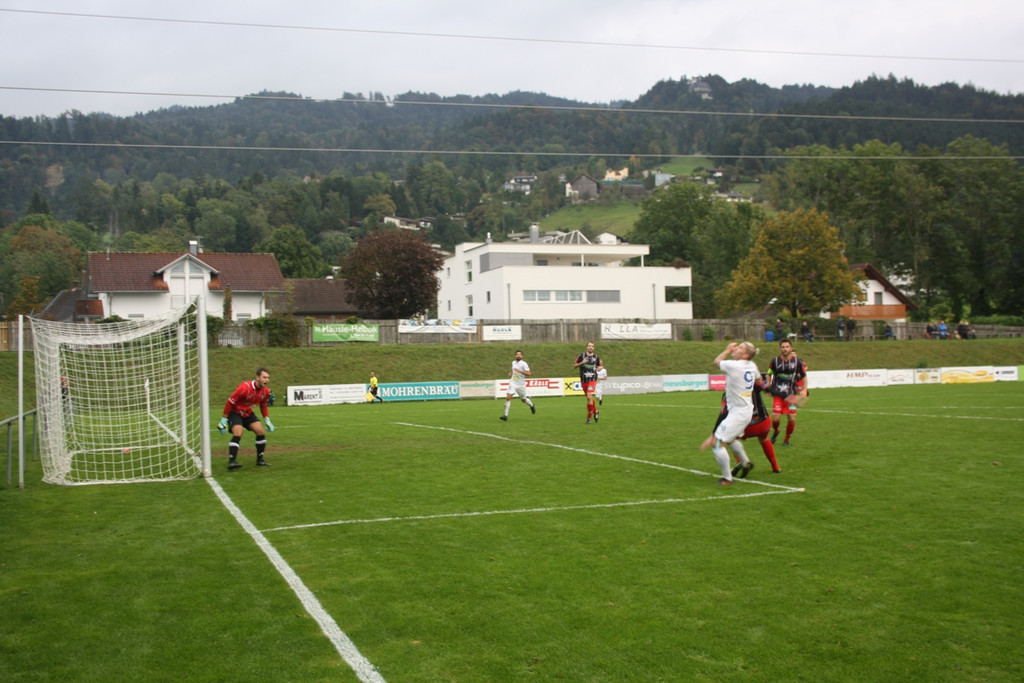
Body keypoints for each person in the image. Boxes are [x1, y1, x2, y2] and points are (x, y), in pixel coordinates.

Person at [700, 342, 758, 485]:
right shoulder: (752, 365)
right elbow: (758, 379)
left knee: (717, 443)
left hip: (738, 412)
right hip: (745, 409)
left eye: (740, 347)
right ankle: (745, 463)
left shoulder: (734, 365)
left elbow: (717, 361)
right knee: (731, 439)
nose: (736, 348)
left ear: (745, 355)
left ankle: (727, 478)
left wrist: (727, 350)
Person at [701, 372, 782, 475]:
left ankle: (742, 462)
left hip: (746, 426)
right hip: (763, 423)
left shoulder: (729, 394)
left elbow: (724, 413)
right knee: (764, 439)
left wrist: (714, 433)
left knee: (728, 439)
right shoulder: (754, 385)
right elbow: (768, 388)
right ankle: (775, 467)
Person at [219, 367, 274, 470]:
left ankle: (260, 460)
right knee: (238, 432)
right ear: (257, 377)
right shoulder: (244, 388)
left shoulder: (265, 392)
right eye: (264, 377)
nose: (267, 380)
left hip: (247, 413)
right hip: (235, 412)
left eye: (268, 378)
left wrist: (267, 419)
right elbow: (230, 402)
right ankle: (232, 461)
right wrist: (224, 419)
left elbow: (263, 405)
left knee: (260, 431)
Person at [766, 340, 809, 447]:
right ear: (780, 348)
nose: (785, 349)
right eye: (783, 347)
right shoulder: (774, 361)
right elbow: (768, 374)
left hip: (791, 395)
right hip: (778, 393)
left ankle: (787, 439)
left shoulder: (797, 362)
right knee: (776, 419)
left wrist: (804, 390)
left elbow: (804, 376)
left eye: (787, 347)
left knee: (792, 418)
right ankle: (776, 431)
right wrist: (768, 385)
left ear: (790, 348)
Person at [500, 350, 536, 421]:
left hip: (520, 385)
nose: (518, 355)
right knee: (508, 398)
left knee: (523, 400)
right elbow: (513, 370)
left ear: (522, 356)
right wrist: (511, 373)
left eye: (520, 354)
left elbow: (529, 373)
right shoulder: (513, 362)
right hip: (513, 383)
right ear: (515, 356)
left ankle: (531, 405)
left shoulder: (524, 364)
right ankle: (505, 415)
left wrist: (520, 371)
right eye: (517, 354)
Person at [574, 341, 603, 424]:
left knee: (589, 396)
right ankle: (595, 411)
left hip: (592, 380)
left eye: (592, 346)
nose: (591, 347)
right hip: (584, 380)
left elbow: (600, 366)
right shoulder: (581, 356)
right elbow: (574, 366)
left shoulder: (596, 357)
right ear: (587, 347)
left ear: (594, 348)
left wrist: (598, 368)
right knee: (589, 398)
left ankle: (589, 418)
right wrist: (582, 363)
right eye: (589, 346)